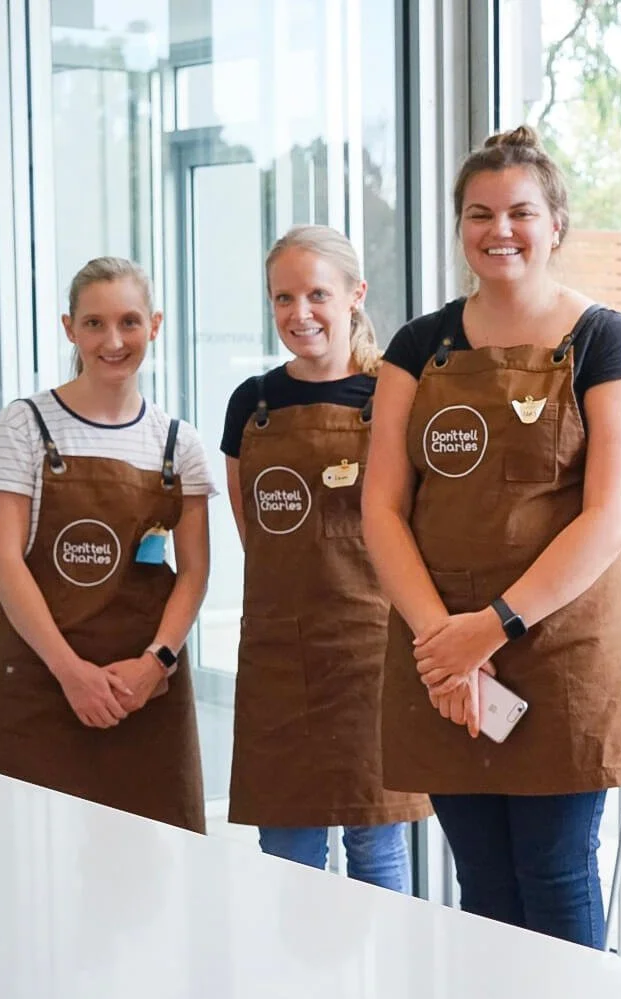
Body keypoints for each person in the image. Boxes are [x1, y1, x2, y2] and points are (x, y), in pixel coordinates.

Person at [362, 126, 621, 948]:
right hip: (442, 652)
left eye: (521, 212)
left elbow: (612, 513)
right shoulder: (417, 348)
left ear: (555, 224)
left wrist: (487, 629)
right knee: (483, 878)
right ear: (459, 227)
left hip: (561, 649)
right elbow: (381, 508)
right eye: (479, 213)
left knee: (556, 870)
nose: (500, 230)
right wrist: (440, 640)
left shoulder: (605, 339)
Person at [220, 225, 430, 890]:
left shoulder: (393, 397)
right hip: (278, 657)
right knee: (285, 851)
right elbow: (254, 533)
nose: (298, 312)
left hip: (372, 652)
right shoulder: (250, 405)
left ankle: (386, 991)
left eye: (316, 293)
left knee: (377, 843)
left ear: (354, 296)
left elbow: (418, 526)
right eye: (282, 298)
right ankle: (294, 997)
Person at [0, 257, 213, 831]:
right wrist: (71, 673)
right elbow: (3, 562)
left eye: (129, 322)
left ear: (154, 326)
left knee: (151, 884)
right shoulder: (23, 427)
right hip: (37, 689)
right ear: (69, 328)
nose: (113, 340)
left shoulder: (179, 445)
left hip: (145, 697)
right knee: (26, 869)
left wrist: (156, 664)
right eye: (94, 324)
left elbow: (195, 573)